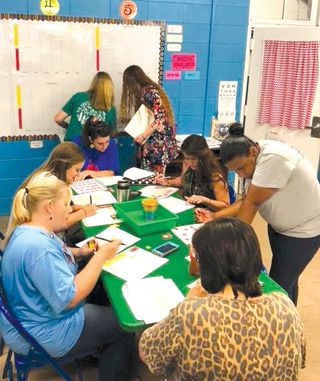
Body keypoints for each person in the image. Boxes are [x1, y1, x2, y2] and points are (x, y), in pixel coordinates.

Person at [0, 175, 134, 381]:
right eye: (66, 204)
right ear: (49, 206)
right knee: (123, 326)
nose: (70, 209)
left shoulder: (28, 228)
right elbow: (70, 298)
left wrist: (79, 253)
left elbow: (57, 251)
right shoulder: (38, 249)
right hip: (46, 331)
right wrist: (100, 257)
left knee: (100, 289)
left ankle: (97, 349)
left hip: (31, 315)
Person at [139, 217, 306, 381]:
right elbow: (300, 359)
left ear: (206, 265)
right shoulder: (285, 305)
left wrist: (187, 302)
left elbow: (148, 353)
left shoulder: (193, 312)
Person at [196, 123, 320, 305]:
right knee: (288, 280)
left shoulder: (273, 159)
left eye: (241, 168)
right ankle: (290, 320)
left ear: (253, 152)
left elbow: (252, 204)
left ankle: (282, 327)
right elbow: (246, 199)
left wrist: (231, 245)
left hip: (304, 230)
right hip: (281, 227)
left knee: (278, 286)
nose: (240, 173)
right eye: (235, 171)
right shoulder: (253, 155)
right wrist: (214, 217)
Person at [20, 142, 96, 228]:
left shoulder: (47, 175)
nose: (78, 174)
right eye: (77, 170)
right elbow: (56, 224)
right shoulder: (49, 183)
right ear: (64, 165)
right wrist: (84, 212)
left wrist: (73, 208)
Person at [120, 65, 178, 174]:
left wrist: (143, 135)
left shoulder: (147, 92)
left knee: (153, 179)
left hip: (156, 145)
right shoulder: (153, 89)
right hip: (161, 143)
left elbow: (160, 119)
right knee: (155, 178)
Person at [156, 134, 230, 210]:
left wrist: (206, 200)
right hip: (187, 209)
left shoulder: (215, 176)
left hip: (206, 215)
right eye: (187, 158)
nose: (190, 163)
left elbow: (225, 206)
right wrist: (169, 182)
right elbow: (183, 180)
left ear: (203, 157)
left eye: (194, 159)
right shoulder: (187, 163)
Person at [55, 71, 116, 141]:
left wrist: (68, 127)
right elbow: (111, 134)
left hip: (72, 145)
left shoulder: (78, 97)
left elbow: (58, 119)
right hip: (93, 147)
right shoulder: (110, 108)